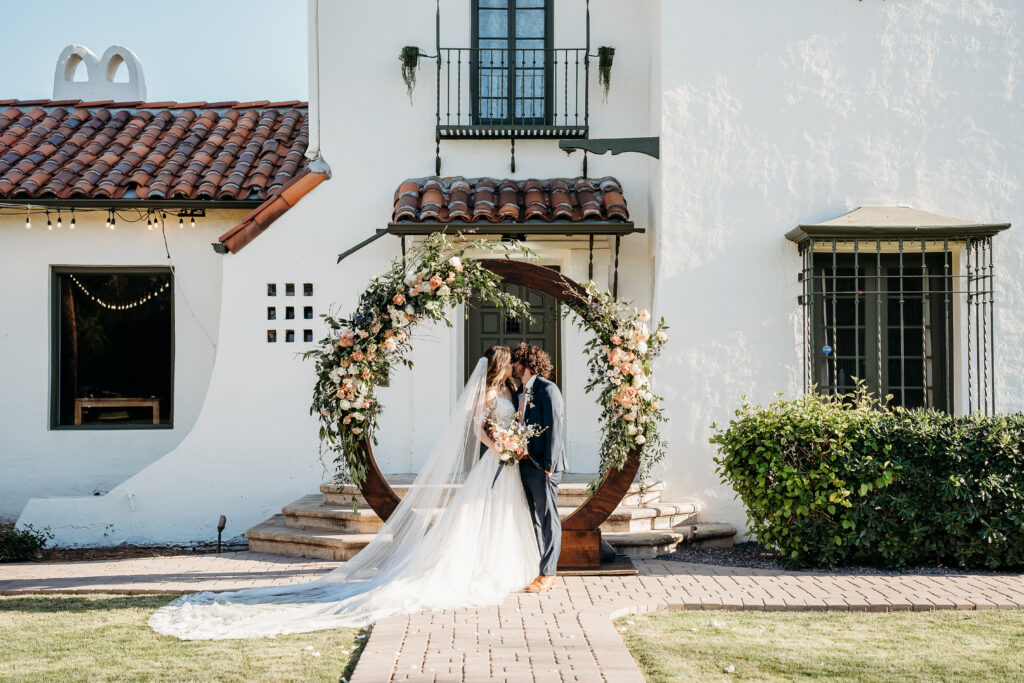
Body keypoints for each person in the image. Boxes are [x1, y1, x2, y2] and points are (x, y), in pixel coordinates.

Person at [149, 346, 547, 640]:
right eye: (507, 361)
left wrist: (513, 444)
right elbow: (478, 430)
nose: (511, 365)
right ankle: (480, 570)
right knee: (481, 517)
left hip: (509, 468)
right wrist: (499, 447)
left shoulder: (513, 393)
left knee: (506, 516)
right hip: (495, 462)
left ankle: (507, 568)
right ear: (498, 366)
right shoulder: (486, 396)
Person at [510, 343, 566, 593]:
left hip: (543, 466)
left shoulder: (547, 389)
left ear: (526, 364)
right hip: (525, 464)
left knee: (548, 517)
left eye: (515, 361)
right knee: (533, 518)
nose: (511, 365)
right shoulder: (521, 392)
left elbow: (555, 427)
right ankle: (539, 566)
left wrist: (549, 466)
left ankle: (549, 573)